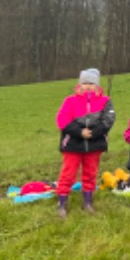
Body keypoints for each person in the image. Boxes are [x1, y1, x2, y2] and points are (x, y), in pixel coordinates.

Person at [55, 68, 116, 218]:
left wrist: (94, 133)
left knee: (90, 174)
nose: (88, 86)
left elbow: (108, 120)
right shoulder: (70, 101)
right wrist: (80, 132)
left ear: (97, 85)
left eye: (91, 83)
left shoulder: (105, 101)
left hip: (94, 144)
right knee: (68, 174)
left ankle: (87, 202)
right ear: (80, 84)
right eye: (85, 82)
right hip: (73, 144)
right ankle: (62, 202)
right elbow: (62, 120)